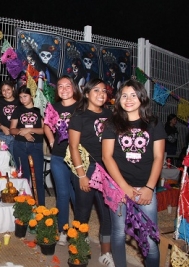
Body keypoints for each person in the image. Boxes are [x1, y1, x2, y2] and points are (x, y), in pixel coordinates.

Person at [102, 79, 165, 266]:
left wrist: (149, 188)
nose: (128, 99)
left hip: (145, 187)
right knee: (119, 232)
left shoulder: (153, 123)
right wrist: (124, 188)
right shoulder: (112, 123)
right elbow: (107, 157)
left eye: (133, 95)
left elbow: (159, 157)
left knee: (151, 240)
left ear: (142, 98)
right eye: (124, 95)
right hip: (118, 186)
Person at [68, 78, 114, 266]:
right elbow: (73, 146)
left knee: (107, 213)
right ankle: (78, 250)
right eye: (96, 90)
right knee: (82, 212)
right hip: (86, 168)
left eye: (104, 91)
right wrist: (81, 175)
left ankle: (105, 253)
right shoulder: (79, 116)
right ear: (87, 94)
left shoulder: (111, 115)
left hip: (108, 170)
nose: (101, 94)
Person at [43, 75, 82, 245]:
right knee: (63, 193)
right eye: (60, 86)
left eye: (68, 86)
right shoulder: (53, 107)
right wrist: (51, 141)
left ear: (73, 87)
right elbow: (46, 125)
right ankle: (63, 230)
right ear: (56, 90)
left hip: (79, 158)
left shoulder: (82, 107)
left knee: (78, 194)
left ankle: (80, 229)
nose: (64, 89)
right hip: (59, 156)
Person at [10, 86, 45, 205]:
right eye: (20, 97)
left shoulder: (39, 109)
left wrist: (29, 131)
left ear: (32, 96)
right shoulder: (17, 110)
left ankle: (41, 207)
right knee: (23, 177)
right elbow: (12, 130)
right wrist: (23, 132)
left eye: (25, 96)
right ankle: (24, 206)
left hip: (35, 146)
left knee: (38, 178)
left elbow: (45, 130)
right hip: (19, 145)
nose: (22, 99)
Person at [0, 80, 20, 156]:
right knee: (0, 160)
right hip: (1, 135)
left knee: (16, 161)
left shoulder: (20, 102)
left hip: (16, 136)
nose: (6, 92)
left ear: (13, 89)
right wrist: (2, 127)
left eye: (8, 89)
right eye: (3, 90)